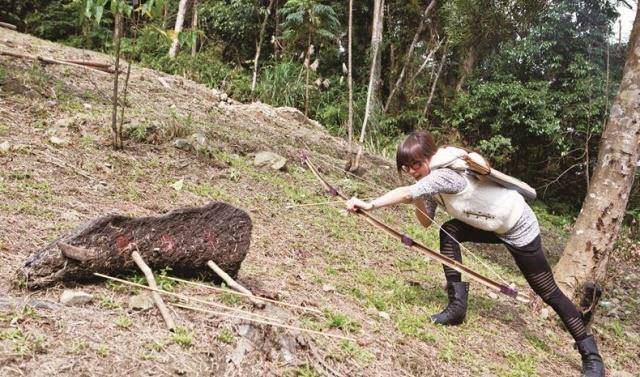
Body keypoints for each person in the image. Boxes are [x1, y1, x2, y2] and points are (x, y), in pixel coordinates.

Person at [345, 131, 604, 377]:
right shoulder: (429, 183)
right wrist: (419, 196)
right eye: (407, 167)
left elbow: (405, 193)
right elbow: (425, 221)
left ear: (428, 157)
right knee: (448, 231)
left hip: (518, 226)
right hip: (491, 224)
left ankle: (591, 355)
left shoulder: (444, 174)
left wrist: (370, 204)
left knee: (548, 292)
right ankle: (457, 307)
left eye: (416, 164)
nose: (412, 171)